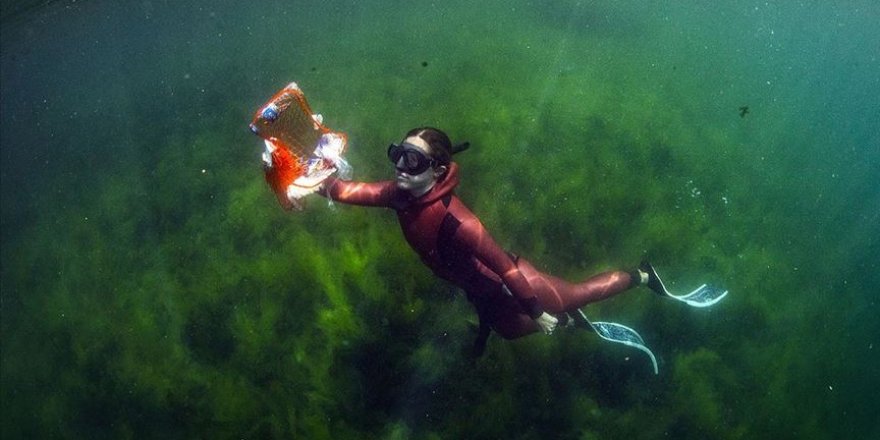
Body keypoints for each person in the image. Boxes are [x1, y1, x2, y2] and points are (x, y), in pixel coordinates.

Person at [317, 127, 721, 358]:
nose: (399, 167)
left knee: (575, 295)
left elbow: (506, 270)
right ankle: (563, 322)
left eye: (413, 160)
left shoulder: (461, 224)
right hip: (480, 289)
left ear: (438, 171)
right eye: (397, 154)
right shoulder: (397, 194)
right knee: (507, 331)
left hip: (514, 283)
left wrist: (537, 310)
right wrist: (302, 174)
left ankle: (641, 276)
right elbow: (344, 191)